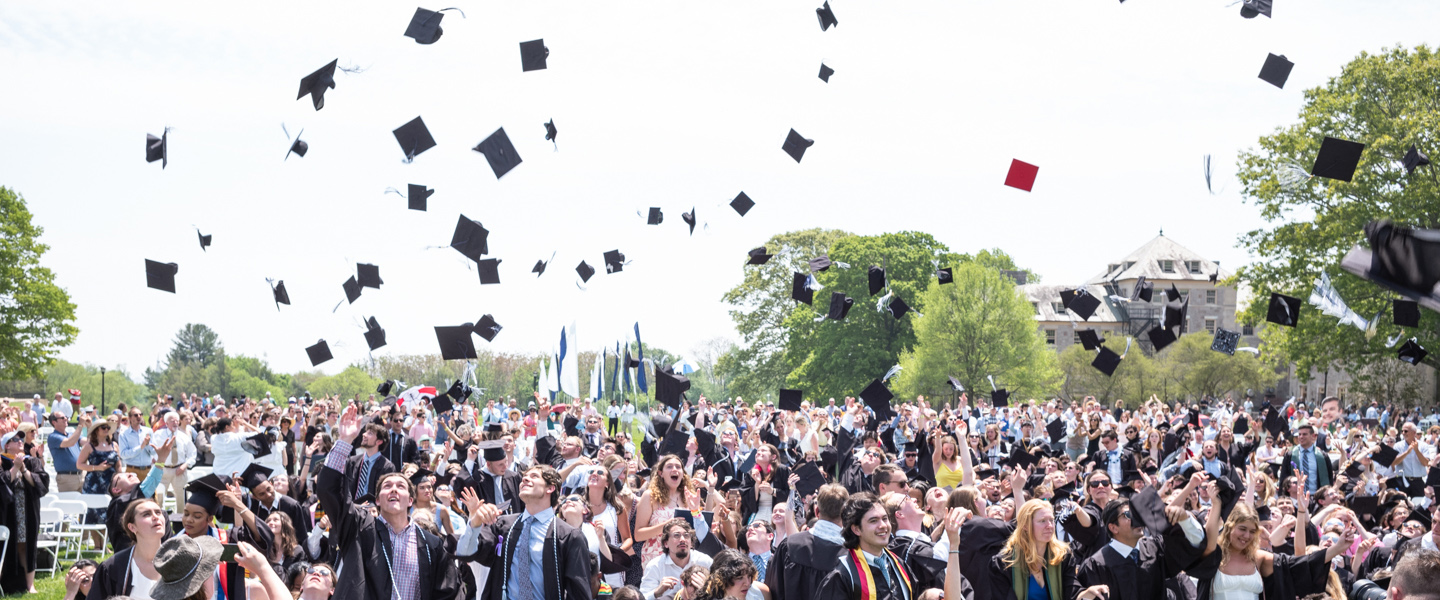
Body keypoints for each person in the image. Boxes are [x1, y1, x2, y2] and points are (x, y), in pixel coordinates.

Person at [317, 405, 460, 600]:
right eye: (386, 486)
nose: (393, 489)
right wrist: (345, 441)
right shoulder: (359, 529)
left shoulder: (430, 544)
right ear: (377, 500)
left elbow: (447, 592)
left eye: (400, 486)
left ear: (411, 500)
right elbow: (330, 491)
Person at [460, 462, 594, 600]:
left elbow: (579, 593)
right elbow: (466, 553)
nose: (524, 479)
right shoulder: (503, 526)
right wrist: (475, 523)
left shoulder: (569, 536)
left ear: (550, 488)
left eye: (534, 476)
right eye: (524, 477)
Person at [1186, 500, 1354, 600]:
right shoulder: (1214, 556)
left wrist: (1337, 548)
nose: (1246, 536)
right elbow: (1199, 538)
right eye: (1242, 529)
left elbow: (1298, 564)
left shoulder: (1258, 559)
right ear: (1230, 527)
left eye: (1252, 531)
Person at [816, 492, 918, 600]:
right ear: (856, 529)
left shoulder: (899, 566)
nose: (883, 526)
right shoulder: (843, 576)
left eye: (884, 518)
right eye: (873, 521)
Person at [986, 499, 1090, 600]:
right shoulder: (1003, 562)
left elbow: (1071, 592)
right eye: (1042, 521)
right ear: (1025, 526)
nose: (1049, 526)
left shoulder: (1063, 556)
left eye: (1051, 520)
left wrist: (1086, 594)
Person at [768, 484, 849, 600]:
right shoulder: (850, 555)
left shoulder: (790, 546)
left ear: (816, 511)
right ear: (846, 514)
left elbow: (773, 590)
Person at [0, 432, 49, 594]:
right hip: (7, 512)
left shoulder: (32, 460)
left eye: (21, 439)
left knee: (27, 546)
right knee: (8, 546)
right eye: (15, 440)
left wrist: (24, 468)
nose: (20, 442)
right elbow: (3, 483)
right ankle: (8, 583)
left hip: (28, 511)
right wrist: (15, 467)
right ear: (7, 445)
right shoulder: (3, 462)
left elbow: (42, 482)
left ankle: (30, 585)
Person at [91, 499, 168, 600]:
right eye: (146, 514)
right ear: (132, 527)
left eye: (158, 512)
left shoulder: (180, 561)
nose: (155, 517)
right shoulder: (113, 567)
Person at [641, 518, 715, 600]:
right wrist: (656, 592)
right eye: (677, 535)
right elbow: (642, 597)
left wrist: (706, 589)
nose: (682, 539)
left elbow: (721, 593)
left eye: (686, 535)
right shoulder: (655, 566)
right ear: (666, 543)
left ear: (691, 543)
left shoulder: (705, 561)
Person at [154, 411, 197, 510]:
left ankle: (180, 522)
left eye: (177, 421)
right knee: (158, 498)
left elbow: (192, 453)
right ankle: (159, 520)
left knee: (181, 499)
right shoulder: (158, 435)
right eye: (172, 421)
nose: (175, 423)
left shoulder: (183, 436)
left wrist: (185, 465)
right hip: (162, 470)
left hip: (179, 470)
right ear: (166, 423)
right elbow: (152, 451)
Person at [344, 421, 397, 501]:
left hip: (373, 509)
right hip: (353, 508)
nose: (364, 434)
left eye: (370, 433)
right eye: (366, 432)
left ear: (379, 442)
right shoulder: (352, 462)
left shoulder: (387, 467)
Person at [48, 410, 85, 492]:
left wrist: (90, 427)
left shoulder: (72, 435)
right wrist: (80, 425)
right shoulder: (53, 437)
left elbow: (89, 441)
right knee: (69, 504)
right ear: (54, 422)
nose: (66, 419)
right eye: (62, 418)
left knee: (84, 503)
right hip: (67, 478)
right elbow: (70, 442)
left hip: (81, 475)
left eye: (66, 417)